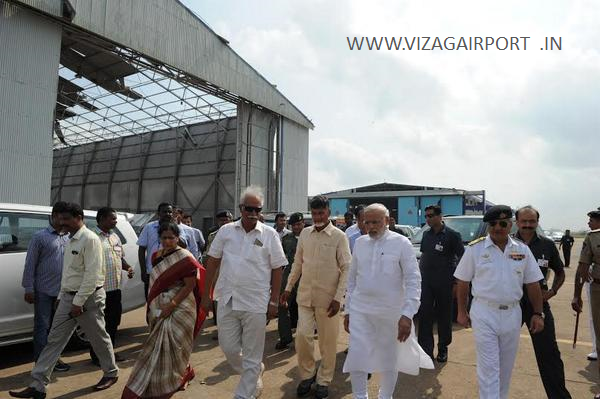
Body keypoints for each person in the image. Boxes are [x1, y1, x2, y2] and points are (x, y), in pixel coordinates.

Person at [10, 202, 119, 399]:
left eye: (66, 219)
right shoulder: (70, 239)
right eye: (60, 219)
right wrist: (62, 297)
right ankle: (38, 385)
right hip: (69, 298)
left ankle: (111, 372)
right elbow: (68, 273)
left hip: (88, 299)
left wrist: (78, 302)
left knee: (98, 338)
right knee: (53, 341)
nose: (62, 223)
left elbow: (92, 276)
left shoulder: (90, 240)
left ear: (79, 218)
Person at [201, 185, 287, 399]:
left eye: (257, 210)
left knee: (252, 353)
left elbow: (278, 268)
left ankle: (245, 393)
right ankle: (254, 370)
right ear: (241, 208)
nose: (253, 214)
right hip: (227, 298)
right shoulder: (226, 231)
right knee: (228, 348)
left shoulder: (269, 235)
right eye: (249, 209)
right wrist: (205, 295)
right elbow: (212, 262)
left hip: (256, 301)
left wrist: (274, 301)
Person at [343, 204, 433, 399]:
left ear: (387, 220)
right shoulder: (359, 243)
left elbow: (413, 280)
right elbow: (351, 279)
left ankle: (385, 396)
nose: (371, 226)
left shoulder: (401, 243)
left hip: (391, 311)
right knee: (357, 355)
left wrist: (407, 314)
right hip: (361, 309)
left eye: (376, 222)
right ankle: (360, 396)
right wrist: (348, 310)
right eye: (367, 222)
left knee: (389, 357)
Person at [454, 205, 544, 399]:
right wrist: (462, 311)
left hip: (512, 314)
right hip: (484, 312)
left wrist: (538, 313)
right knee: (489, 368)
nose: (497, 227)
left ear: (510, 225)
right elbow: (462, 282)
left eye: (503, 223)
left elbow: (533, 284)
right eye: (493, 223)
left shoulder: (522, 250)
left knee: (505, 367)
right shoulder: (475, 249)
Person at [122, 222, 206, 399]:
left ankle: (176, 378)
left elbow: (189, 286)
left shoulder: (186, 258)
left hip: (182, 306)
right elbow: (157, 282)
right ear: (159, 238)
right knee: (159, 347)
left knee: (176, 345)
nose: (167, 241)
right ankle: (168, 377)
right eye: (164, 238)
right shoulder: (155, 256)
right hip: (159, 305)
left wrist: (172, 304)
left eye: (171, 238)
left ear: (178, 238)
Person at [281, 195, 352, 399]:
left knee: (327, 343)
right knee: (303, 337)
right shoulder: (305, 233)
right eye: (314, 213)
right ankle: (307, 375)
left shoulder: (339, 236)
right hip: (304, 296)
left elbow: (347, 267)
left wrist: (339, 297)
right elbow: (297, 263)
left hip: (328, 300)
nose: (318, 216)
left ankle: (324, 380)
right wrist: (288, 286)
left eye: (321, 213)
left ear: (328, 212)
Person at [514, 206, 571, 398]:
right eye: (524, 221)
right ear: (517, 222)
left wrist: (553, 291)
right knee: (501, 353)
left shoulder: (546, 245)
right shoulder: (507, 243)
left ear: (537, 222)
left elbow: (560, 271)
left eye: (532, 221)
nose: (528, 225)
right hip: (512, 305)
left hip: (538, 305)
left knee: (549, 355)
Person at [21, 201, 71, 372]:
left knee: (57, 329)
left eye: (67, 218)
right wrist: (29, 288)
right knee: (42, 327)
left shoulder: (68, 237)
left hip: (62, 293)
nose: (65, 221)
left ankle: (54, 360)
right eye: (62, 217)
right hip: (43, 291)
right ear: (54, 216)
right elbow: (30, 264)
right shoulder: (40, 237)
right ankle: (41, 363)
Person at [417, 205, 464, 363]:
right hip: (426, 282)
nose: (428, 219)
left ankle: (443, 348)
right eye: (426, 216)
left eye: (431, 216)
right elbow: (424, 256)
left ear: (439, 216)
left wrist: (457, 282)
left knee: (444, 317)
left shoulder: (452, 235)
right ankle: (425, 351)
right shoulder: (426, 235)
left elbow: (462, 259)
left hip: (445, 282)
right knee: (424, 315)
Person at [90, 207, 135, 366]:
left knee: (113, 321)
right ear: (101, 219)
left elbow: (119, 258)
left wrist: (128, 267)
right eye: (112, 218)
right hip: (99, 289)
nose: (115, 221)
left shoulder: (114, 237)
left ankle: (110, 353)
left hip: (115, 288)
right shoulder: (93, 237)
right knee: (98, 325)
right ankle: (97, 356)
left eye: (115, 219)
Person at [138, 202, 198, 298]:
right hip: (152, 271)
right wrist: (143, 271)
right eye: (165, 212)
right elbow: (141, 249)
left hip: (172, 271)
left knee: (169, 301)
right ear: (158, 213)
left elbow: (184, 245)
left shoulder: (177, 228)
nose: (168, 214)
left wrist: (172, 230)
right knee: (152, 302)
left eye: (170, 212)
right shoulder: (149, 227)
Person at [571, 208, 600, 399]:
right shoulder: (593, 238)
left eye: (592, 219)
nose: (589, 223)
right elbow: (582, 267)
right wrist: (577, 294)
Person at [276, 212, 304, 350]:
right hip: (289, 275)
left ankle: (304, 337)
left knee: (305, 307)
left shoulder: (311, 237)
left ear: (303, 223)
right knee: (283, 304)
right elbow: (281, 257)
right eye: (293, 225)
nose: (296, 227)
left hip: (306, 275)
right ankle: (285, 337)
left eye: (299, 224)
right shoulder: (287, 239)